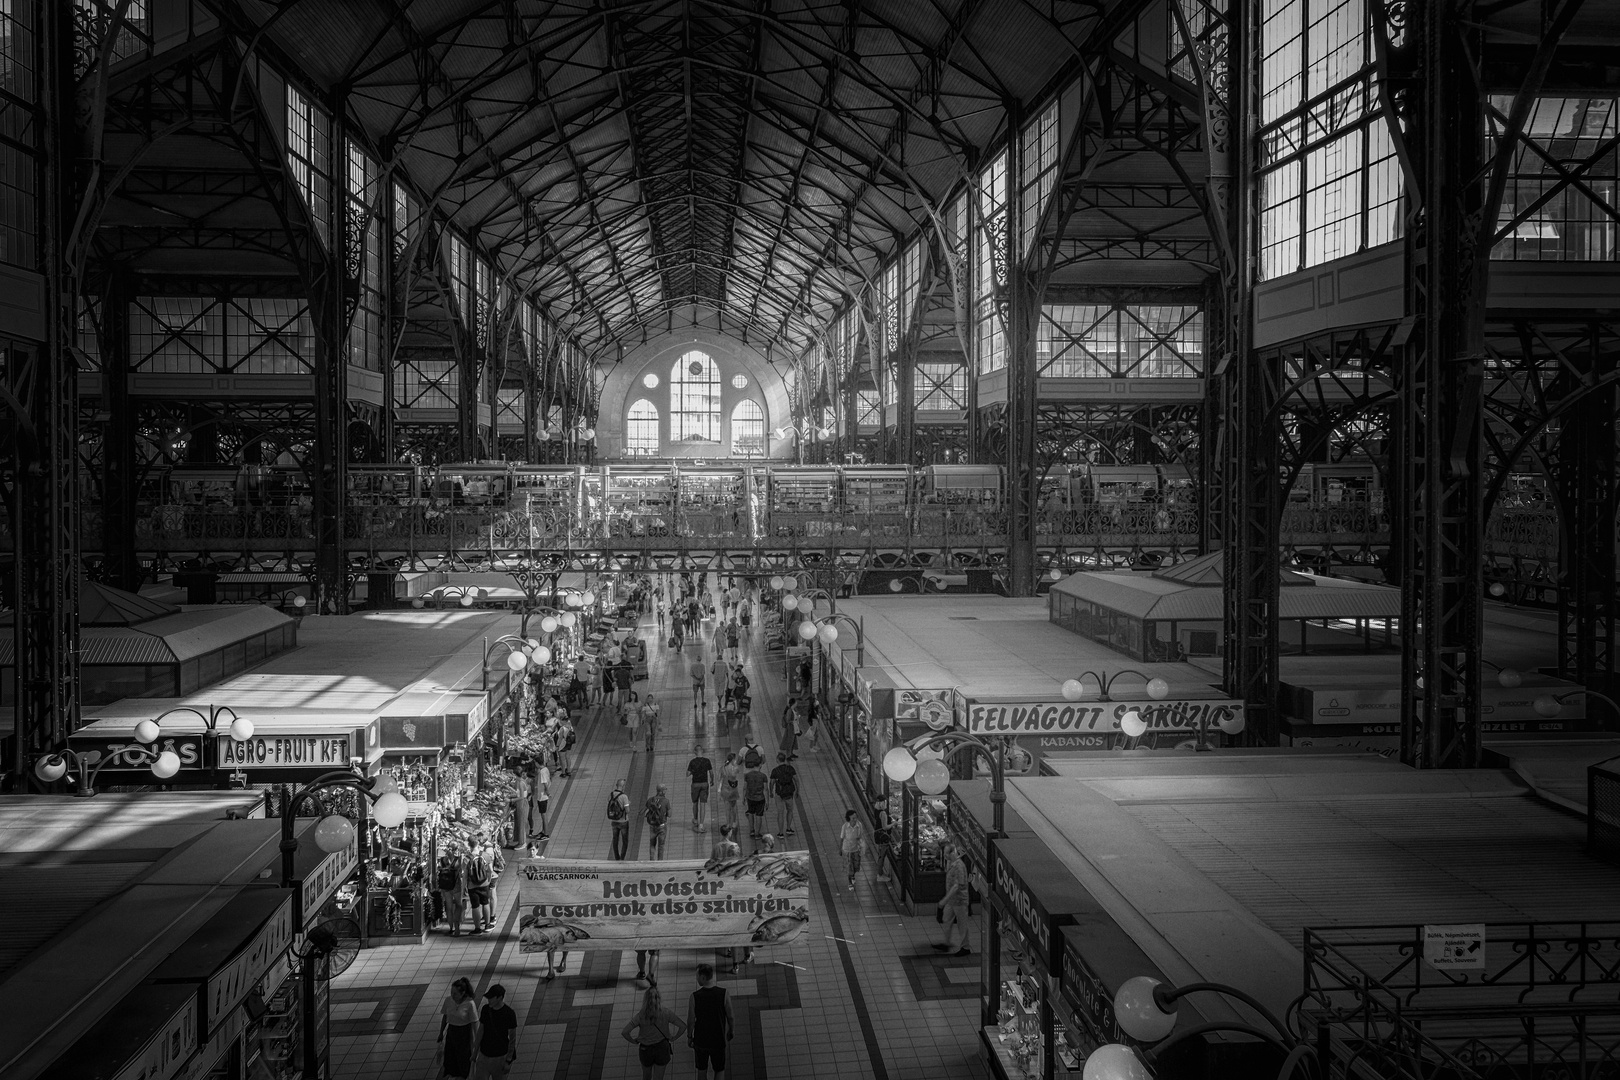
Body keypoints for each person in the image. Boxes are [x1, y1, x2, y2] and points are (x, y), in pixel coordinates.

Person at [621, 987, 688, 1080]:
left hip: (645, 1049)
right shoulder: (666, 1012)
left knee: (646, 1076)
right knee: (658, 1078)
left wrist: (633, 1041)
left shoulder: (641, 1015)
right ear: (659, 998)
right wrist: (674, 1037)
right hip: (662, 1047)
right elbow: (683, 1026)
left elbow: (625, 1032)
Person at [687, 963, 735, 1079]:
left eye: (697, 976)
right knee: (719, 1070)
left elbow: (691, 1020)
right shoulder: (723, 993)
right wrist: (731, 1030)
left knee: (702, 1070)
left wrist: (689, 1036)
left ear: (703, 977)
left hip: (701, 1040)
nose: (696, 978)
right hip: (718, 1039)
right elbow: (730, 1016)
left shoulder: (695, 996)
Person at [470, 984, 518, 1079]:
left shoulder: (509, 1014)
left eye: (491, 998)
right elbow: (481, 1030)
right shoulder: (486, 1010)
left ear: (500, 998)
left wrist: (508, 1060)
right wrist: (475, 1053)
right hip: (483, 1055)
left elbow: (512, 1039)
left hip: (500, 1057)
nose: (489, 1000)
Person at [933, 841, 973, 955]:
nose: (944, 856)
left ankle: (966, 948)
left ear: (952, 853)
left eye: (946, 853)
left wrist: (944, 900)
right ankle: (946, 943)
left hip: (960, 901)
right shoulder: (951, 863)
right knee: (946, 920)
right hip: (951, 901)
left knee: (962, 924)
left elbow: (957, 886)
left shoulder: (959, 866)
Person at [435, 977, 477, 1079]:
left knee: (463, 1057)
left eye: (455, 994)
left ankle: (463, 1076)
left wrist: (476, 1039)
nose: (452, 995)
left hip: (464, 1034)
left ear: (462, 993)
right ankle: (451, 1075)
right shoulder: (448, 1001)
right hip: (452, 1032)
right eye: (451, 992)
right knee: (450, 1056)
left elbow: (474, 1022)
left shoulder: (470, 1004)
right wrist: (441, 1032)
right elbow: (445, 1017)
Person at [464, 842, 496, 933]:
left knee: (475, 906)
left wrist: (464, 887)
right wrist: (488, 881)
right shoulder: (485, 855)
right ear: (477, 844)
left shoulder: (466, 858)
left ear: (469, 846)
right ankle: (487, 925)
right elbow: (490, 870)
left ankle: (477, 929)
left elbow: (465, 876)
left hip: (472, 886)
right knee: (486, 903)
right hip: (484, 884)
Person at [770, 752, 797, 838]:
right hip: (789, 793)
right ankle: (788, 828)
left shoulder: (775, 771)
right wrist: (797, 791)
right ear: (785, 759)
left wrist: (771, 792)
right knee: (790, 810)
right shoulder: (790, 769)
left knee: (780, 813)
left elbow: (772, 783)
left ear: (777, 760)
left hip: (779, 794)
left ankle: (780, 833)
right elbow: (797, 780)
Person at [435, 853, 464, 936]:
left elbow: (438, 869)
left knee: (449, 907)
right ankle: (457, 926)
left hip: (446, 886)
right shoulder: (458, 860)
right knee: (459, 905)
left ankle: (451, 928)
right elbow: (462, 872)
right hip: (456, 886)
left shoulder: (442, 859)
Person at [687, 744, 713, 832]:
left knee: (695, 803)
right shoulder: (707, 761)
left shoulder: (692, 762)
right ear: (703, 751)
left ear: (694, 752)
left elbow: (687, 774)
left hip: (695, 784)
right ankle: (701, 825)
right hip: (704, 784)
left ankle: (695, 819)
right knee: (703, 804)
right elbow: (711, 772)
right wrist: (712, 780)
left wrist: (694, 771)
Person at [839, 809, 867, 890]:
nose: (855, 820)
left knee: (855, 865)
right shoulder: (845, 827)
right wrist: (840, 849)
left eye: (856, 818)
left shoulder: (859, 825)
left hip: (856, 849)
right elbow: (841, 838)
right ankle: (850, 883)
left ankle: (853, 876)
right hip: (847, 850)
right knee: (849, 866)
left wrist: (861, 846)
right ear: (849, 819)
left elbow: (860, 836)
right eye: (853, 818)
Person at [742, 755, 769, 840]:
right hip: (760, 798)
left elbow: (744, 787)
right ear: (760, 765)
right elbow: (766, 789)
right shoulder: (763, 776)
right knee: (759, 815)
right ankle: (757, 834)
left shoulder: (747, 775)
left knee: (750, 813)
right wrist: (767, 801)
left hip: (750, 797)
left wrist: (743, 797)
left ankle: (752, 830)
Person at [528, 760, 551, 852]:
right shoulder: (545, 769)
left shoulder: (541, 772)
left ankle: (546, 834)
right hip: (542, 796)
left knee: (543, 815)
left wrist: (547, 792)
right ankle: (543, 832)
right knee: (543, 815)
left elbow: (545, 783)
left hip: (542, 796)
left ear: (537, 763)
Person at [871, 803, 897, 884]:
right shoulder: (883, 813)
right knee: (882, 856)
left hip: (878, 836)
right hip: (883, 838)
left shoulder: (877, 811)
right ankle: (880, 875)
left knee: (880, 855)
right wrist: (894, 824)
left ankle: (880, 873)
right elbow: (885, 827)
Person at [645, 783, 672, 859]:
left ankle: (651, 860)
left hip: (652, 825)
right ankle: (660, 862)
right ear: (662, 791)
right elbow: (670, 815)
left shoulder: (650, 800)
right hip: (661, 826)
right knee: (661, 846)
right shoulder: (666, 801)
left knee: (652, 844)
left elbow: (644, 810)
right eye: (665, 789)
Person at [609, 779, 632, 860]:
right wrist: (628, 803)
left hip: (614, 821)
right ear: (623, 786)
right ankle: (622, 858)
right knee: (625, 841)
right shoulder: (624, 796)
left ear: (616, 784)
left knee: (615, 840)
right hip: (623, 821)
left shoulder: (611, 794)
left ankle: (616, 857)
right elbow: (627, 811)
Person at [719, 751, 741, 830]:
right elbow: (736, 773)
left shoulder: (723, 767)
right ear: (733, 760)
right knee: (733, 806)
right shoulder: (734, 768)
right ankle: (734, 822)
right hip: (733, 789)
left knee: (727, 808)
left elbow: (720, 778)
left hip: (725, 789)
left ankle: (728, 823)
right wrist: (735, 765)